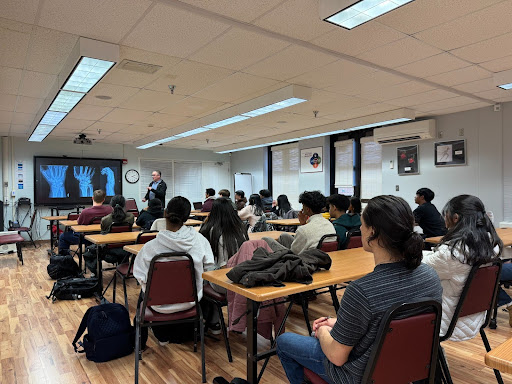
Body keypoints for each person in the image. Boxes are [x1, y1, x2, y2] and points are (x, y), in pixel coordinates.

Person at [276, 195, 442, 384]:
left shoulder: (361, 290)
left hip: (360, 375)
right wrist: (339, 322)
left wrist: (322, 332)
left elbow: (337, 357)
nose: (360, 229)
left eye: (363, 224)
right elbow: (385, 322)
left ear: (372, 232)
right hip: (411, 365)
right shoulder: (430, 276)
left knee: (284, 342)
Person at [133, 196, 215, 346]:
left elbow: (139, 275)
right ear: (187, 217)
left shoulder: (150, 247)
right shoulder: (200, 240)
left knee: (143, 289)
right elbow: (210, 267)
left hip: (158, 306)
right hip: (191, 302)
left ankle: (153, 338)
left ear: (165, 213)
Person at [423, 194, 502, 340]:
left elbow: (425, 267)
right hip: (475, 316)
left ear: (455, 218)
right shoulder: (491, 245)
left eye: (445, 216)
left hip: (448, 321)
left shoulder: (452, 253)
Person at [199, 198, 249, 332]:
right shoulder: (241, 230)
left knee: (200, 274)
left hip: (224, 282)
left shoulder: (211, 230)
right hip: (244, 278)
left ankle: (212, 321)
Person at [268, 191, 336, 255]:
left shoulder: (303, 230)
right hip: (323, 256)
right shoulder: (329, 224)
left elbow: (294, 252)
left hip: (303, 259)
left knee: (266, 240)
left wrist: (302, 226)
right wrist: (303, 224)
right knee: (284, 236)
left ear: (307, 209)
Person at [58, 189, 112, 255]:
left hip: (86, 237)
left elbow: (79, 223)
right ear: (103, 199)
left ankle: (65, 259)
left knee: (63, 237)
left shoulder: (86, 212)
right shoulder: (109, 210)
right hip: (103, 235)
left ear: (92, 198)